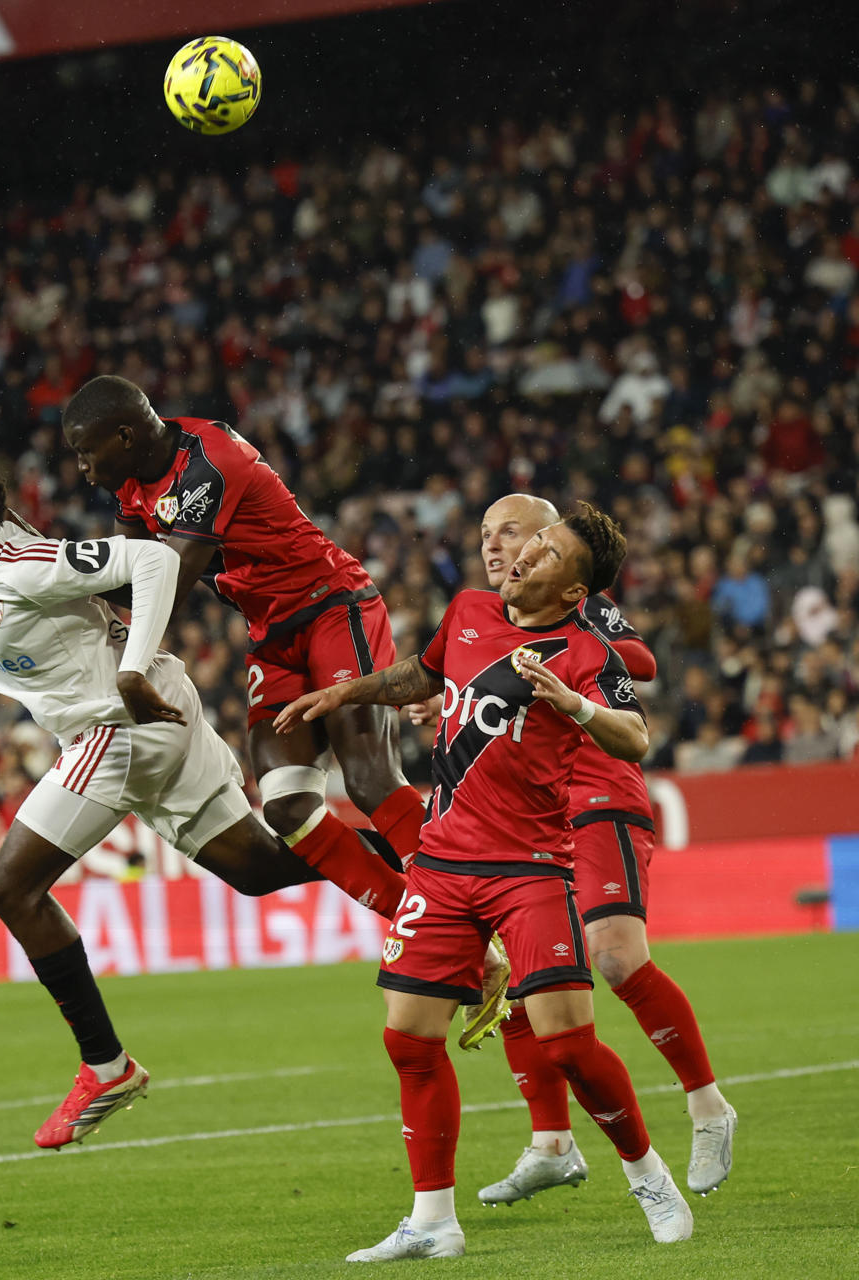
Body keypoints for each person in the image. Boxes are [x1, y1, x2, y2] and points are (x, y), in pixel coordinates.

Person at [0, 445, 398, 1150]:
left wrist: (131, 669)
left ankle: (107, 1067)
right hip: (155, 711)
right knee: (258, 868)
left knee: (11, 889)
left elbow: (154, 562)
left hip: (119, 722)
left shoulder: (22, 565)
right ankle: (435, 873)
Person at [277, 504, 694, 1259]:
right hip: (441, 864)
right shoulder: (469, 609)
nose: (526, 554)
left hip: (529, 868)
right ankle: (432, 1221)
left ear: (574, 591)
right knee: (409, 1039)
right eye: (535, 542)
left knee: (569, 1045)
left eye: (549, 553)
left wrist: (573, 703)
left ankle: (648, 1176)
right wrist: (346, 692)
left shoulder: (583, 652)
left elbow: (635, 736)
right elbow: (423, 670)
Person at [59, 376, 509, 1050]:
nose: (81, 467)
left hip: (333, 606)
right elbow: (127, 581)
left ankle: (474, 914)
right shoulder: (130, 486)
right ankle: (432, 929)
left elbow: (167, 582)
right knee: (288, 809)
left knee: (369, 778)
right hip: (273, 635)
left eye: (85, 451)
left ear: (124, 435)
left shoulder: (210, 461)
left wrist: (114, 644)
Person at [413, 494, 735, 1204]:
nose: (497, 547)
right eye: (487, 534)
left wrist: (561, 656)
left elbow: (640, 661)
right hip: (521, 825)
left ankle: (707, 1104)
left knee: (615, 958)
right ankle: (552, 1142)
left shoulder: (578, 610)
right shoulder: (486, 616)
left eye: (513, 534)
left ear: (550, 545)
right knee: (527, 980)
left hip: (594, 793)